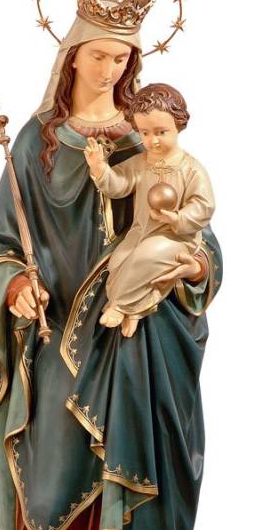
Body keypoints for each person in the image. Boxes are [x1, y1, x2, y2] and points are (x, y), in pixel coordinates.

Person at [0, 0, 224, 530]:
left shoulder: (149, 137)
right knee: (50, 477)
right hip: (58, 340)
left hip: (134, 342)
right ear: (73, 54)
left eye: (124, 58)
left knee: (129, 476)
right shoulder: (37, 140)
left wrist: (197, 267)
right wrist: (14, 284)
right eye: (101, 55)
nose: (113, 69)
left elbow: (197, 230)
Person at [84, 83, 216, 338]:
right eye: (144, 133)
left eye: (161, 132)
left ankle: (120, 307)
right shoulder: (140, 163)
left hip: (177, 237)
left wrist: (176, 218)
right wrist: (100, 168)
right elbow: (118, 185)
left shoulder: (191, 169)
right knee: (119, 261)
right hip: (141, 231)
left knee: (146, 257)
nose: (152, 140)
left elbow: (203, 206)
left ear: (178, 126)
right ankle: (135, 311)